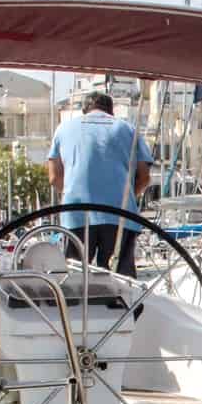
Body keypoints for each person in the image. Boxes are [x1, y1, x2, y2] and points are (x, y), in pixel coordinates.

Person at [46, 91, 152, 275]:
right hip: (120, 215)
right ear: (111, 112)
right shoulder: (128, 129)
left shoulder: (64, 129)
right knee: (119, 280)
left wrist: (73, 192)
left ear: (84, 111)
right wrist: (126, 197)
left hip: (76, 213)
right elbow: (144, 177)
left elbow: (54, 177)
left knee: (74, 278)